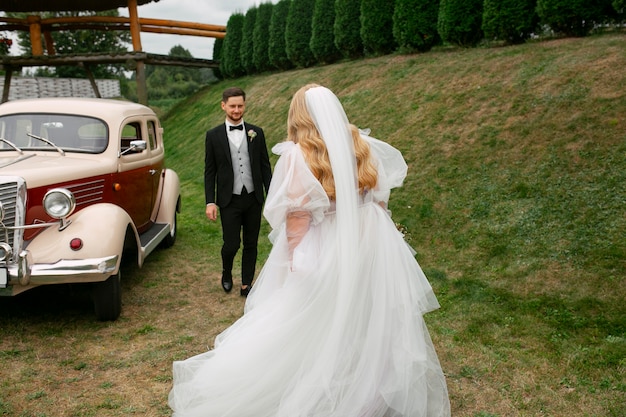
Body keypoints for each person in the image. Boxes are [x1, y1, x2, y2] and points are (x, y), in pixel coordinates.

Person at [170, 84, 450, 416]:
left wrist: (294, 262)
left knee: (314, 321)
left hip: (327, 248)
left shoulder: (299, 155)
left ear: (297, 114)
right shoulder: (361, 144)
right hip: (372, 245)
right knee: (367, 317)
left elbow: (298, 218)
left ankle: (329, 385)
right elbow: (380, 200)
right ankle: (369, 387)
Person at [204, 87, 272, 297]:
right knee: (232, 243)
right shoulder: (213, 135)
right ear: (223, 105)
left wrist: (272, 195)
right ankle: (226, 273)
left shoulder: (256, 133)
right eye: (232, 106)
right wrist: (210, 201)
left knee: (251, 243)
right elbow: (210, 171)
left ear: (244, 105)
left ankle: (246, 284)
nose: (236, 110)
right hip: (229, 199)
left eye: (240, 105)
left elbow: (265, 166)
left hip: (253, 198)